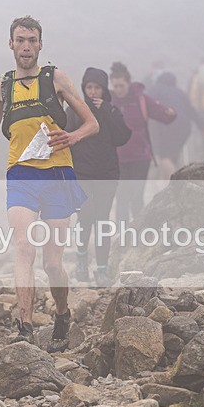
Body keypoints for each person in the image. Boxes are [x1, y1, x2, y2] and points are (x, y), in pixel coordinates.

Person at [0, 16, 99, 352]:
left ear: (40, 44)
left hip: (57, 175)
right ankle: (25, 327)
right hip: (21, 175)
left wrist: (74, 136)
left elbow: (92, 123)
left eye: (32, 40)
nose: (26, 46)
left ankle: (62, 313)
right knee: (24, 248)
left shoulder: (56, 79)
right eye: (20, 40)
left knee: (52, 263)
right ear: (10, 44)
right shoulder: (2, 87)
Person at [65, 67, 132, 287]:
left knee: (103, 219)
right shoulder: (74, 110)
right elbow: (66, 138)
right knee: (85, 216)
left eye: (97, 88)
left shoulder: (111, 111)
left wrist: (105, 112)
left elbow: (122, 137)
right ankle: (81, 257)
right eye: (89, 87)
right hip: (81, 173)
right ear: (84, 88)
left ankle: (102, 268)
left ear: (104, 90)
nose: (93, 92)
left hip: (107, 173)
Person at [110, 62, 176, 223]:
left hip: (140, 157)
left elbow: (163, 116)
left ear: (128, 82)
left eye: (121, 86)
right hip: (117, 158)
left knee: (136, 195)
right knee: (121, 198)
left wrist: (171, 114)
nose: (118, 90)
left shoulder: (141, 99)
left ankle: (140, 232)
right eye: (115, 86)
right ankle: (122, 235)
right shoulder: (109, 101)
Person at [147, 71, 204, 179]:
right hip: (184, 127)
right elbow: (191, 110)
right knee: (171, 157)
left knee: (164, 157)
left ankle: (175, 186)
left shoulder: (154, 89)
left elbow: (145, 105)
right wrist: (203, 127)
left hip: (167, 125)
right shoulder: (181, 93)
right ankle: (166, 183)